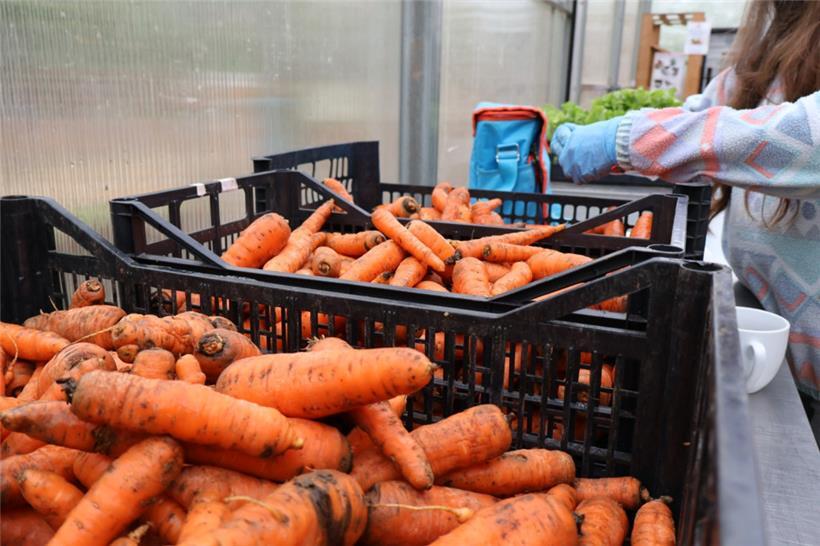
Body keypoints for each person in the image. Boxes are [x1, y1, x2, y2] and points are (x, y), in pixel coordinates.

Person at [552, 0, 820, 413]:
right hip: (761, 336)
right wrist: (634, 132)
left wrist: (628, 139)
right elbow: (711, 116)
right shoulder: (774, 46)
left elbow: (802, 139)